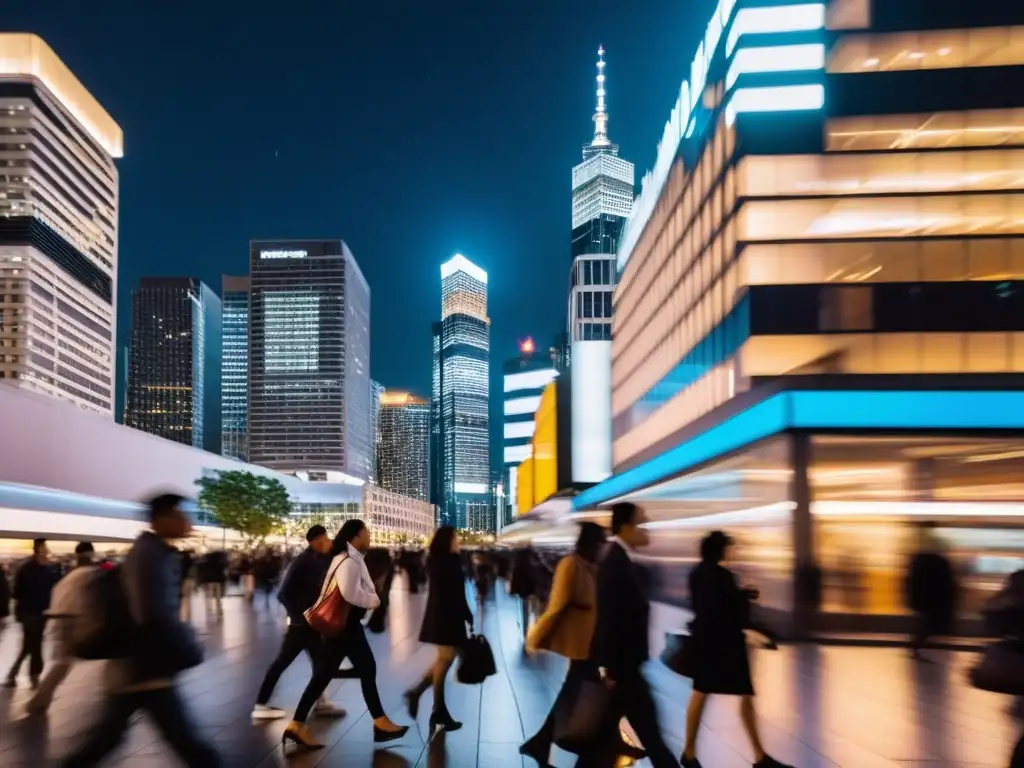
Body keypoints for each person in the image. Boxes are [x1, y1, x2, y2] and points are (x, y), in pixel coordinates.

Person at [60, 494, 220, 767]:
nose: (186, 520)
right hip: (143, 666)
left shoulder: (153, 552)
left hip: (139, 666)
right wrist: (187, 643)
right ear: (162, 519)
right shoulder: (149, 556)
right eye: (180, 514)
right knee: (188, 745)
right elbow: (152, 614)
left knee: (108, 738)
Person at [521, 522, 642, 765]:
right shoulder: (571, 564)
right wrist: (537, 635)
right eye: (599, 543)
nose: (601, 548)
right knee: (597, 690)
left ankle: (542, 743)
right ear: (590, 543)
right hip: (580, 643)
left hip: (592, 641)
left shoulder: (590, 566)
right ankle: (604, 739)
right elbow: (557, 605)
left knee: (577, 692)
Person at [282, 520, 409, 751]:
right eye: (367, 533)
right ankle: (380, 723)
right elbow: (351, 594)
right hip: (346, 625)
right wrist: (374, 600)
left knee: (324, 675)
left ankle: (296, 725)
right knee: (365, 668)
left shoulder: (348, 558)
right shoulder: (348, 561)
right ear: (355, 537)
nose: (370, 536)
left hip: (342, 626)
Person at [680, 531, 791, 768]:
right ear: (721, 549)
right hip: (725, 647)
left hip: (708, 643)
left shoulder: (698, 572)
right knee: (734, 695)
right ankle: (759, 757)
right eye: (732, 547)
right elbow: (724, 609)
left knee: (702, 693)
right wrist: (749, 627)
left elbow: (713, 603)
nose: (734, 551)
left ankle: (690, 753)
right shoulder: (721, 575)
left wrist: (741, 595)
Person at [584, 503, 677, 767]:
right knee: (651, 739)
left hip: (625, 671)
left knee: (605, 741)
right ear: (626, 527)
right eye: (641, 522)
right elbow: (610, 618)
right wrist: (609, 669)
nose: (646, 529)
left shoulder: (620, 560)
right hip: (623, 673)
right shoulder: (615, 563)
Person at [252, 525, 345, 720]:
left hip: (311, 625)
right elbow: (283, 594)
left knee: (321, 663)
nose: (329, 543)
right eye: (326, 540)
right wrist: (300, 616)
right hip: (301, 626)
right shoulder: (302, 562)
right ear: (317, 541)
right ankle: (261, 704)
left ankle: (321, 701)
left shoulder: (320, 560)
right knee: (283, 662)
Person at [404, 526, 473, 736]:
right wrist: (465, 614)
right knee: (446, 659)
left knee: (445, 660)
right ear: (447, 541)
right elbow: (453, 595)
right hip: (446, 619)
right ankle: (437, 710)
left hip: (444, 618)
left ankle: (419, 695)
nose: (458, 542)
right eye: (455, 538)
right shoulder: (447, 563)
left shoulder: (440, 561)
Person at [26, 542, 98, 713]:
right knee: (63, 662)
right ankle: (38, 702)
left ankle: (40, 700)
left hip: (62, 619)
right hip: (70, 621)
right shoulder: (87, 574)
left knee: (63, 662)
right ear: (90, 555)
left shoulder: (72, 575)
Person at [5, 538, 56, 689]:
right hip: (29, 612)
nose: (47, 551)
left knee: (30, 645)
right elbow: (16, 592)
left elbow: (49, 589)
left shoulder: (43, 568)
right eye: (44, 548)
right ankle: (34, 677)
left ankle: (13, 675)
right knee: (34, 645)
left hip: (39, 612)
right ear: (38, 549)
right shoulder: (27, 568)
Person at [906, 524, 957, 661]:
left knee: (925, 625)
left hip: (924, 601)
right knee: (928, 626)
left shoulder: (919, 562)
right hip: (933, 602)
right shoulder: (938, 562)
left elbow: (912, 582)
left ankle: (916, 648)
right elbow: (947, 584)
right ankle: (916, 648)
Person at [510, 548, 539, 640]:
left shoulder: (518, 564)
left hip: (523, 591)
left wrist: (513, 590)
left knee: (524, 612)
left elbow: (515, 577)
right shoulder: (531, 563)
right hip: (531, 590)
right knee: (534, 611)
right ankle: (534, 631)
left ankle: (525, 633)